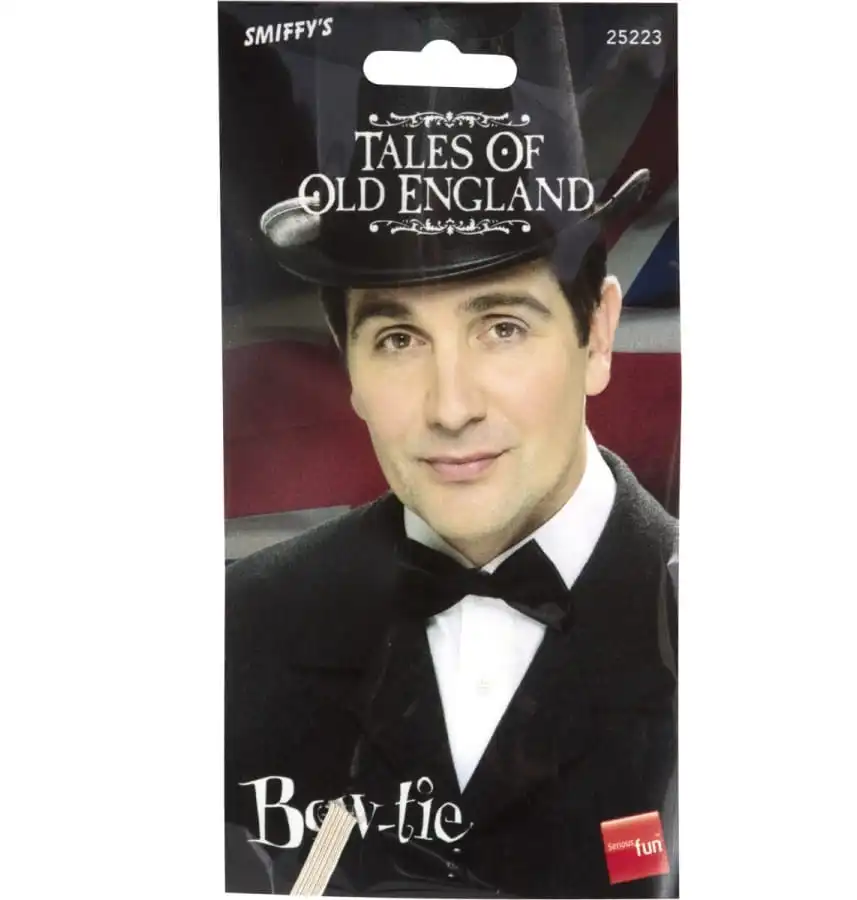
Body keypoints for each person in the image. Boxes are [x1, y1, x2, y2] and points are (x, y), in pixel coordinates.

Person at [224, 6, 678, 896]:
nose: (451, 406)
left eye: (502, 326)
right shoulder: (235, 630)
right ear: (346, 361)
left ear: (597, 337)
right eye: (397, 339)